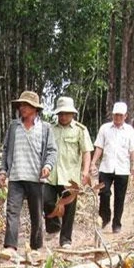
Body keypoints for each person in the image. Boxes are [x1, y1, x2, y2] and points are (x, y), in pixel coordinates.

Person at [0, 91, 57, 259]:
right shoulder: (14, 126)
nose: (22, 108)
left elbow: (52, 151)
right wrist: (3, 171)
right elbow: (6, 150)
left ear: (35, 109)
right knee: (12, 211)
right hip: (16, 176)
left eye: (26, 105)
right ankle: (10, 247)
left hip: (36, 178)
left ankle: (36, 248)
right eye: (21, 105)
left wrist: (47, 166)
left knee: (36, 214)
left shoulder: (45, 128)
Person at [43, 97, 94, 248]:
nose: (63, 117)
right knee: (46, 200)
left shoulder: (80, 130)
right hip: (51, 175)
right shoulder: (50, 130)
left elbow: (86, 152)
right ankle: (53, 227)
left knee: (69, 208)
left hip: (70, 176)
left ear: (72, 114)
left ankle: (66, 239)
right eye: (61, 114)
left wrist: (85, 171)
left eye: (66, 113)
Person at [90, 102, 134, 233]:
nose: (117, 117)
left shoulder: (129, 131)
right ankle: (105, 217)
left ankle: (117, 223)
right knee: (104, 193)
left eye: (120, 115)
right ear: (112, 115)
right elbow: (99, 146)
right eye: (115, 115)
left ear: (125, 116)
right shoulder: (105, 128)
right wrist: (93, 162)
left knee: (120, 197)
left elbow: (133, 149)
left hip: (122, 169)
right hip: (105, 168)